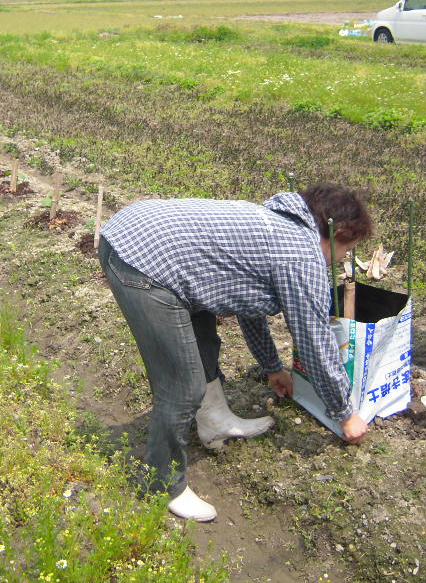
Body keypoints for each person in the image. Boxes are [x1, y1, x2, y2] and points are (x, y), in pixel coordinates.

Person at [98, 183, 373, 522]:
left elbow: (247, 301)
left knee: (204, 342)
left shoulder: (278, 226)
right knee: (182, 386)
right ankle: (160, 482)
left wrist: (272, 366)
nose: (345, 258)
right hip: (142, 261)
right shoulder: (301, 254)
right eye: (348, 250)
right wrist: (345, 413)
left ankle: (214, 421)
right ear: (337, 232)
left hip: (137, 236)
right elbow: (315, 342)